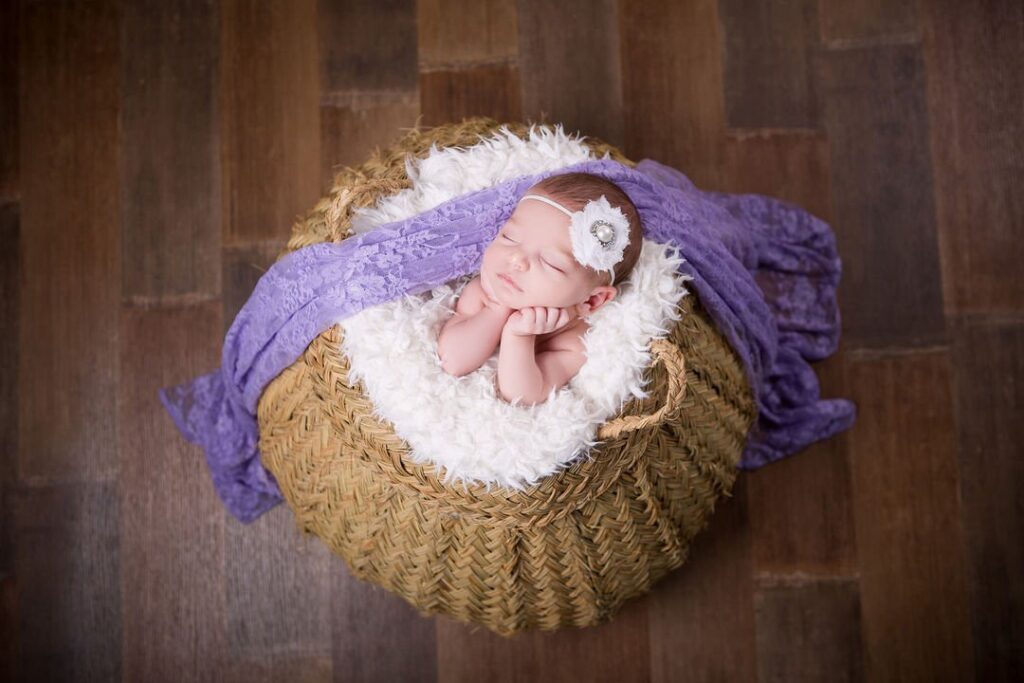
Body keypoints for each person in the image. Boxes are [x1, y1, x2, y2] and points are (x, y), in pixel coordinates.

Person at [437, 171, 644, 405]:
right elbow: (452, 361)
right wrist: (496, 309)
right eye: (509, 237)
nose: (517, 259)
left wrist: (520, 337)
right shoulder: (486, 290)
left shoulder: (571, 340)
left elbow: (522, 396)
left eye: (551, 263)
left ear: (592, 301)